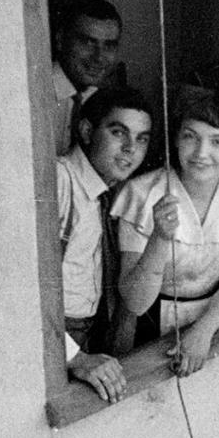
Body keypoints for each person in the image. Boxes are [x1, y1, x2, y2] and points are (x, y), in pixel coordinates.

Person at [114, 87, 219, 376]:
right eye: (190, 137)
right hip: (148, 330)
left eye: (218, 141)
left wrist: (203, 331)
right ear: (177, 140)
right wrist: (159, 238)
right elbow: (135, 302)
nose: (201, 153)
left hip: (214, 322)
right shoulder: (142, 194)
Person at [57, 86, 154, 402]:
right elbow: (26, 291)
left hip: (89, 334)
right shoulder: (61, 181)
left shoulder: (113, 191)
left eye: (141, 138)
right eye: (118, 132)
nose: (130, 149)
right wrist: (76, 359)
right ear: (86, 131)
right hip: (57, 343)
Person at [53, 0, 122, 155]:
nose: (99, 57)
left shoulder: (108, 102)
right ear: (60, 40)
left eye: (109, 45)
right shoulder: (33, 93)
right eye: (88, 42)